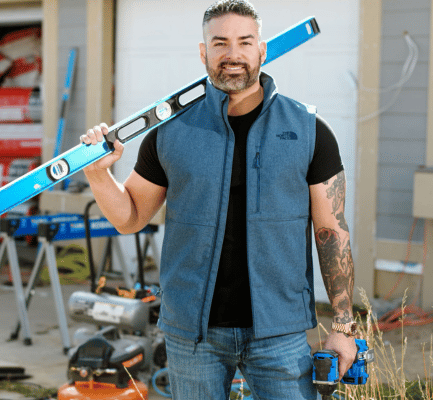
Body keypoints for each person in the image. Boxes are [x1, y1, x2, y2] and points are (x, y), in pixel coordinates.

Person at [81, 1, 357, 399]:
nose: (233, 54)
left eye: (245, 42)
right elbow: (130, 217)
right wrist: (97, 172)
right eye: (220, 42)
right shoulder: (170, 132)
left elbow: (331, 232)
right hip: (193, 334)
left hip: (280, 332)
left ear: (262, 50)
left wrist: (344, 327)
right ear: (203, 52)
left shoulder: (309, 130)